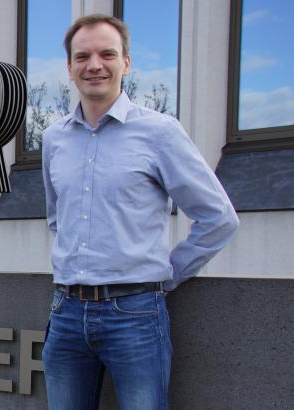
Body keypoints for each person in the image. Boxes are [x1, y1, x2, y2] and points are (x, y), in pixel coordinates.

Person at [41, 14, 239, 410]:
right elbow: (56, 217)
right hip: (65, 313)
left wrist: (169, 273)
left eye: (106, 54)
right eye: (82, 56)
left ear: (125, 63)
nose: (94, 64)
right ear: (69, 67)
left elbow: (218, 218)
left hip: (135, 315)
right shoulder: (52, 138)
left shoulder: (160, 133)